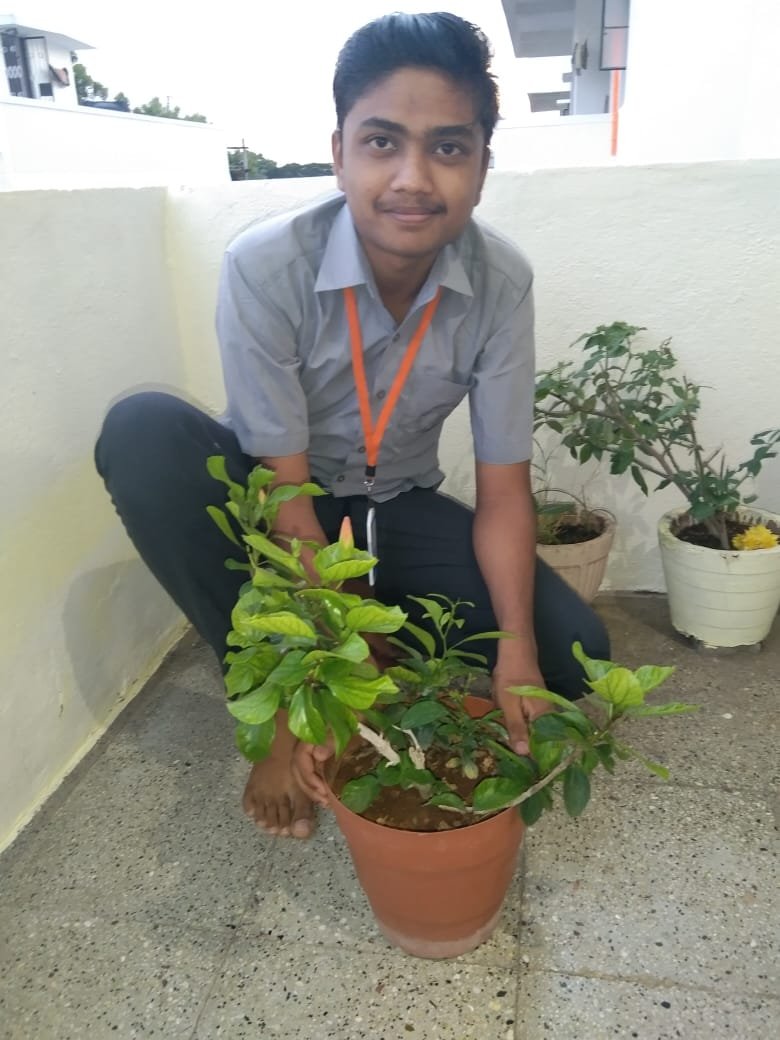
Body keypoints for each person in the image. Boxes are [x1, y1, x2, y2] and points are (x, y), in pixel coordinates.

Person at [95, 11, 609, 840]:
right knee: (144, 431)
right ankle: (279, 710)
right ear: (339, 154)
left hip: (394, 506)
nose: (413, 177)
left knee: (575, 651)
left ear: (483, 167)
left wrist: (516, 650)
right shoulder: (267, 266)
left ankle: (379, 645)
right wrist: (327, 665)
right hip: (281, 500)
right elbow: (287, 496)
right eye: (381, 142)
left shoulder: (502, 282)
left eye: (448, 147)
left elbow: (505, 492)